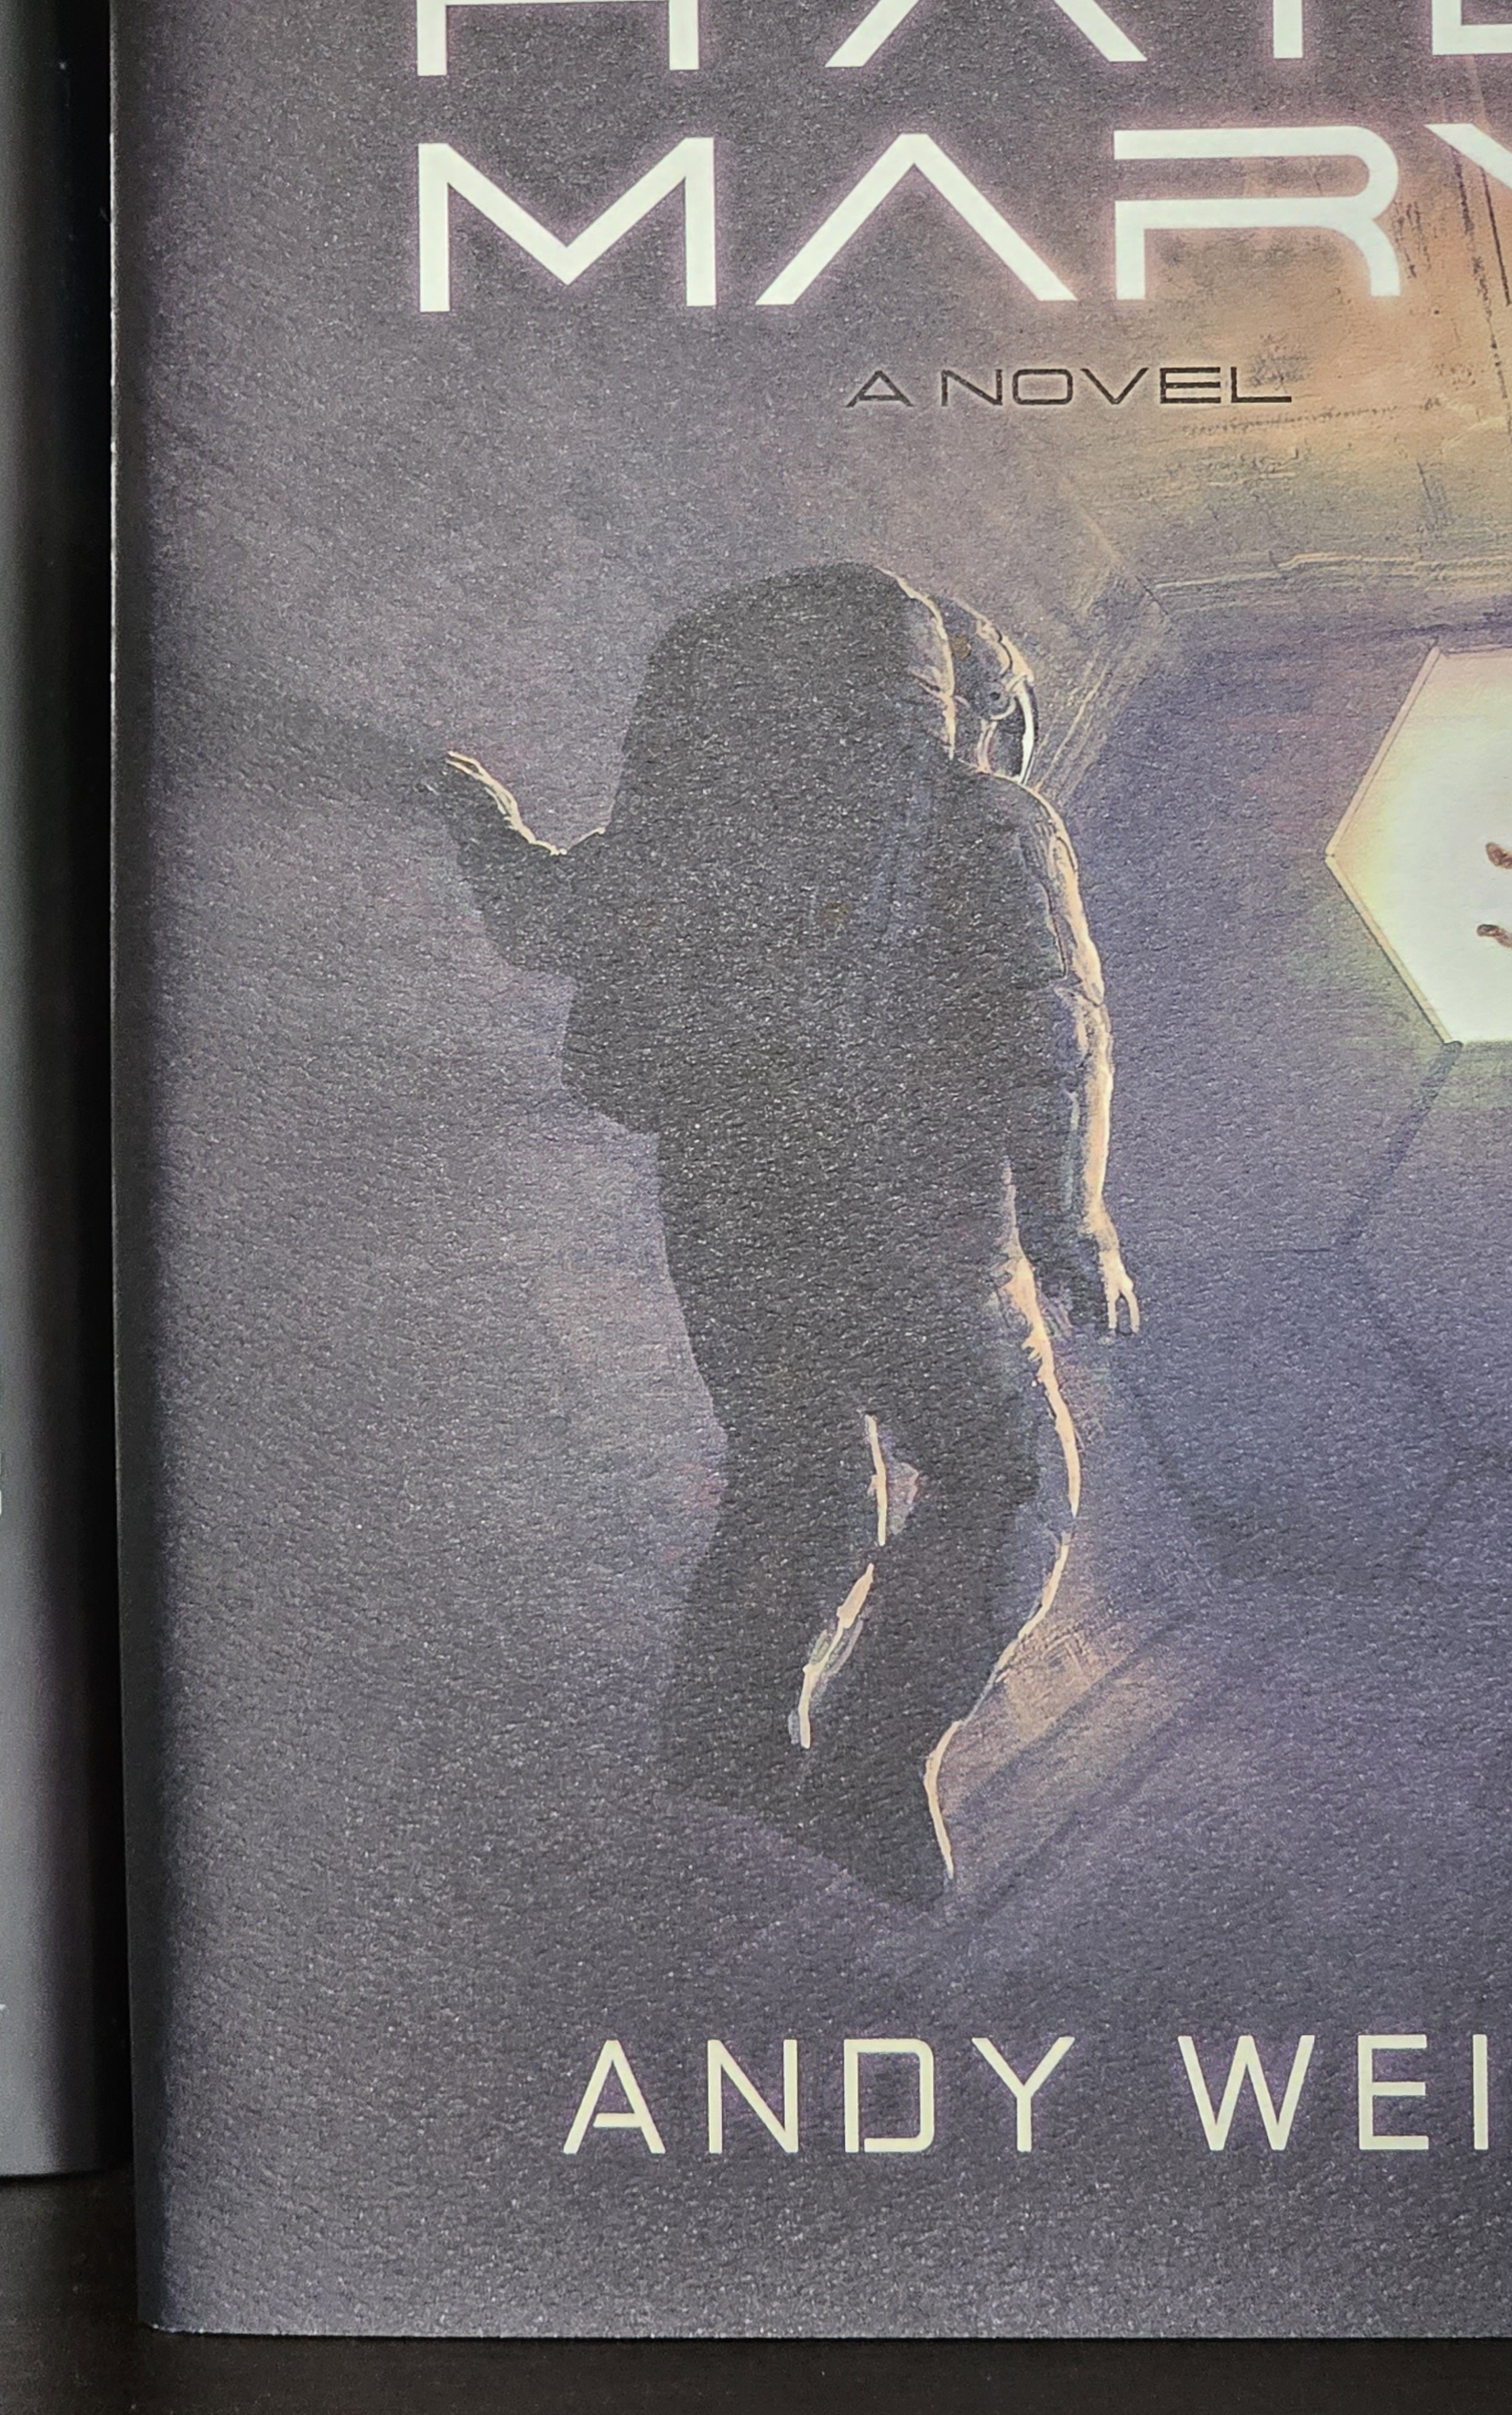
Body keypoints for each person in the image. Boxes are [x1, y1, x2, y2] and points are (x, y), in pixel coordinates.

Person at [435, 564, 1134, 1902]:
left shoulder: (699, 819)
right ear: (968, 707)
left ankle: (724, 1735)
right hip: (914, 1205)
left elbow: (541, 920)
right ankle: (870, 1778)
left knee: (799, 1477)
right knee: (1006, 1483)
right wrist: (1071, 1220)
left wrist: (476, 818)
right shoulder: (988, 819)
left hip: (725, 1195)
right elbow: (1055, 1026)